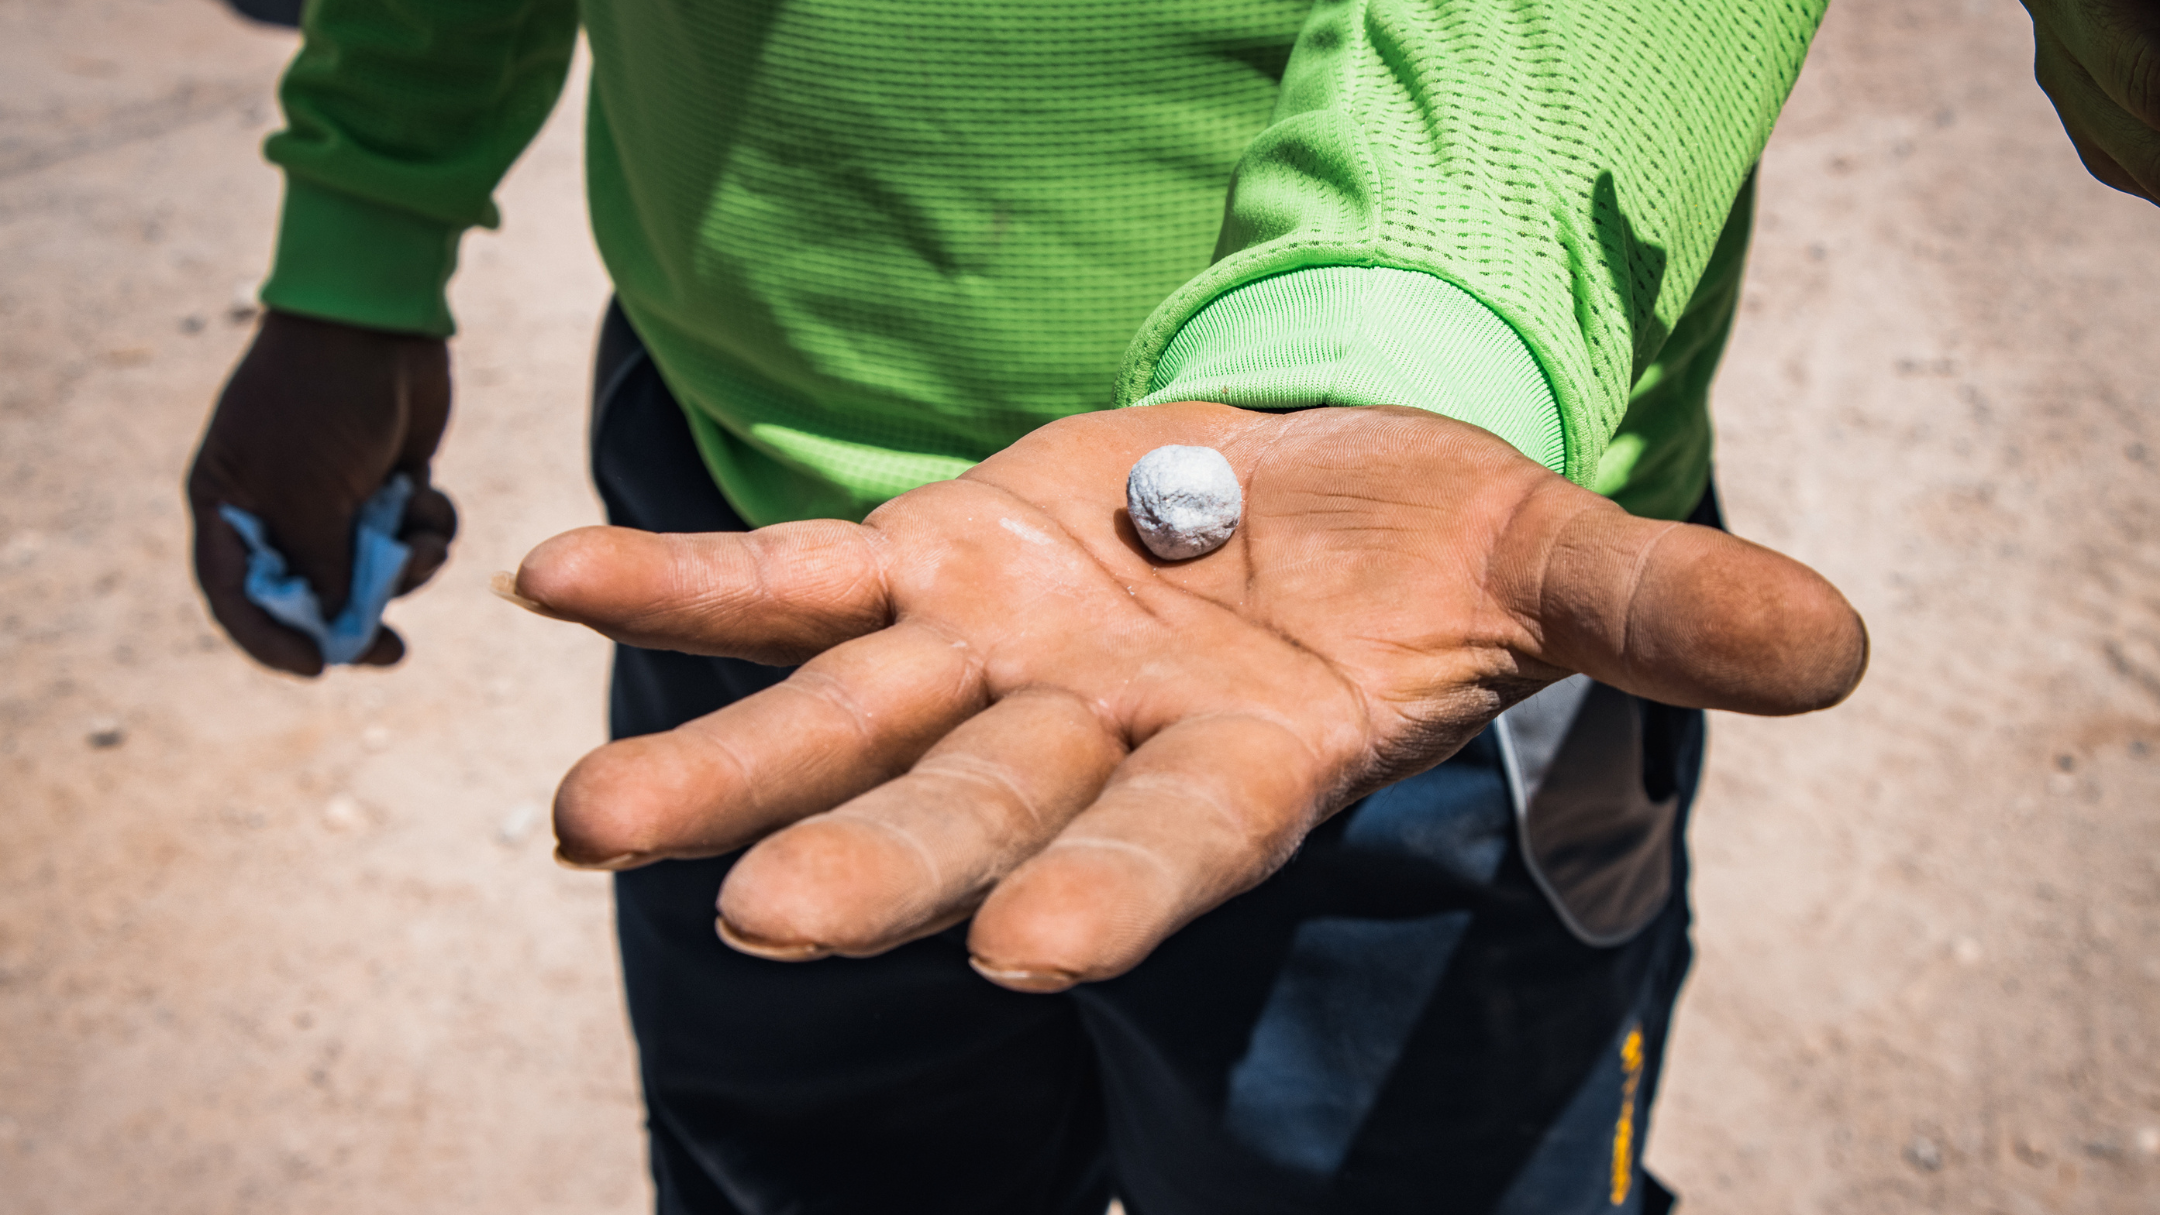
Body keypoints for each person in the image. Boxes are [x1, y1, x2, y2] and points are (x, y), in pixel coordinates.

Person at [186, 2, 1876, 1212]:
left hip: (1405, 628)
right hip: (764, 530)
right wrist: (362, 231)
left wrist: (1384, 356)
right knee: (805, 1160)